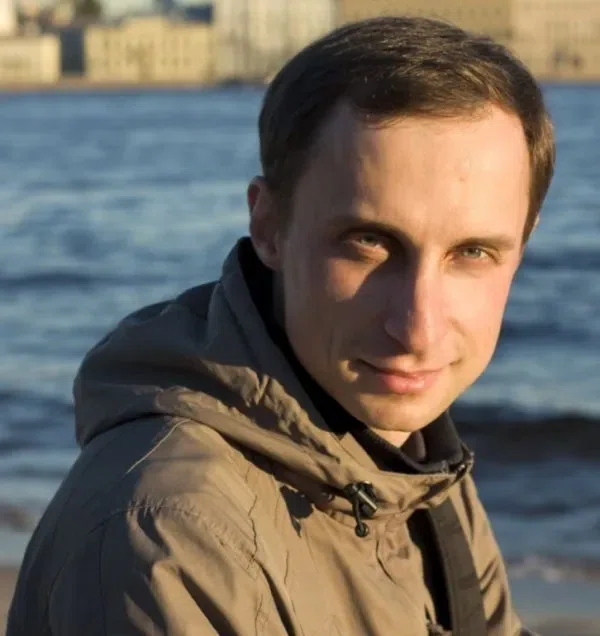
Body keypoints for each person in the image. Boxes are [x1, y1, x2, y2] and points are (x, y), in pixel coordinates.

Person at [7, 15, 555, 636]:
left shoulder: (414, 463)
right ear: (268, 226)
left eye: (473, 253)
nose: (418, 330)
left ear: (523, 243)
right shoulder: (171, 538)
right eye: (369, 243)